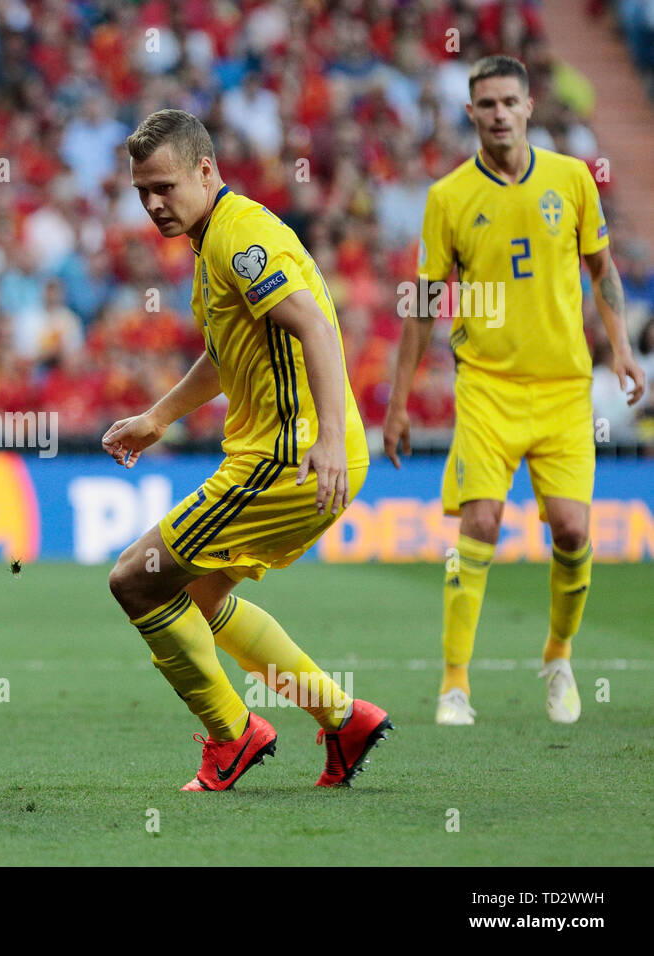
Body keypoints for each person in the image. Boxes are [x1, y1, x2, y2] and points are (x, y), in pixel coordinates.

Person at [104, 109, 391, 792]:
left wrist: (322, 440)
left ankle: (233, 736)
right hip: (297, 453)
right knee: (197, 597)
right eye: (143, 191)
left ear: (207, 170)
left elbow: (317, 329)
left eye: (165, 186)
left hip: (287, 459)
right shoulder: (216, 246)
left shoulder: (241, 241)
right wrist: (157, 418)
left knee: (135, 579)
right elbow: (222, 356)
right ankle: (344, 720)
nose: (153, 204)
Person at [384, 56, 646, 726]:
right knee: (479, 523)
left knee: (572, 528)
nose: (499, 113)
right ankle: (454, 685)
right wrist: (397, 402)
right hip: (487, 388)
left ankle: (558, 657)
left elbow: (602, 268)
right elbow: (422, 305)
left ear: (529, 107)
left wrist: (620, 348)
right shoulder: (447, 198)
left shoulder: (571, 179)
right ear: (470, 113)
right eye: (486, 104)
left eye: (509, 101)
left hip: (562, 388)